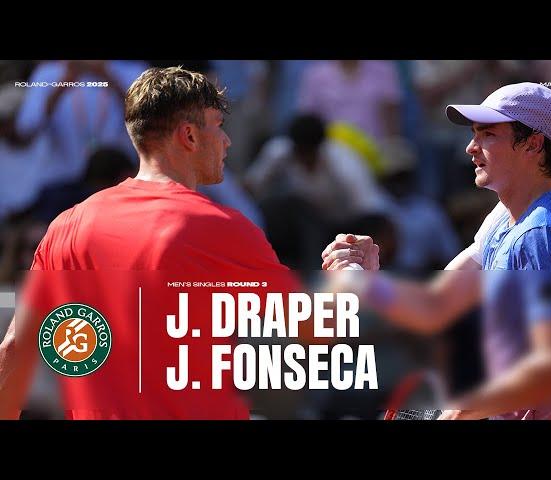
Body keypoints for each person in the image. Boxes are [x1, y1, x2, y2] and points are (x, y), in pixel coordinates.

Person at [0, 67, 348, 420]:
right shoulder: (221, 229)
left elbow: (16, 348)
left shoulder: (67, 225)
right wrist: (347, 273)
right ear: (189, 136)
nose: (227, 140)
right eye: (218, 126)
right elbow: (318, 330)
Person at [322, 82, 551, 419]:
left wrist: (461, 411)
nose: (470, 147)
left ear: (533, 144)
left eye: (487, 134)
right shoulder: (505, 217)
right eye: (474, 134)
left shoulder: (544, 235)